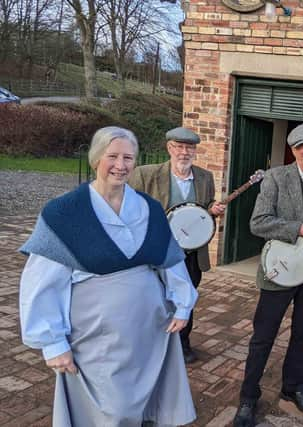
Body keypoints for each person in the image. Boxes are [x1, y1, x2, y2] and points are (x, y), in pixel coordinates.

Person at [19, 126, 198, 426]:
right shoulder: (64, 213)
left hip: (149, 329)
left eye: (128, 157)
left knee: (145, 403)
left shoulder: (149, 208)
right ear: (95, 159)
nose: (121, 164)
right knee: (112, 409)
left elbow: (169, 259)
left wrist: (182, 303)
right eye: (112, 156)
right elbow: (42, 281)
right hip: (95, 334)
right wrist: (53, 343)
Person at [232, 123, 303, 427]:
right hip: (279, 271)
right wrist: (301, 228)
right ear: (294, 150)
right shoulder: (275, 178)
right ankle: (248, 397)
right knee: (263, 336)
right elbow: (258, 222)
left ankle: (293, 387)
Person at [129, 126, 225, 364]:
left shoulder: (204, 177)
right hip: (157, 251)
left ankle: (182, 343)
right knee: (153, 298)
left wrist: (212, 208)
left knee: (187, 298)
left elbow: (206, 206)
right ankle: (150, 344)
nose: (184, 152)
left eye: (189, 147)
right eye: (179, 147)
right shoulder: (145, 174)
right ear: (169, 148)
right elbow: (128, 207)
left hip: (190, 254)